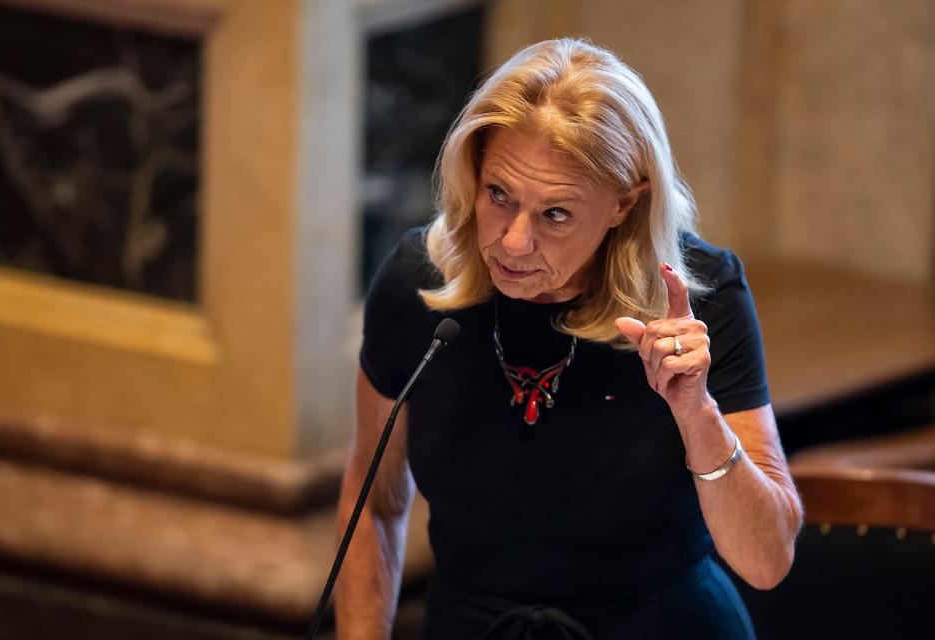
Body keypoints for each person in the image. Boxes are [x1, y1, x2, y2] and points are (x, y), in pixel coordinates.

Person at [335, 38, 802, 639]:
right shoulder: (419, 287)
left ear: (624, 205)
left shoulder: (701, 297)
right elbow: (373, 506)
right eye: (498, 195)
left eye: (555, 214)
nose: (512, 242)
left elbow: (767, 563)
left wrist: (697, 412)